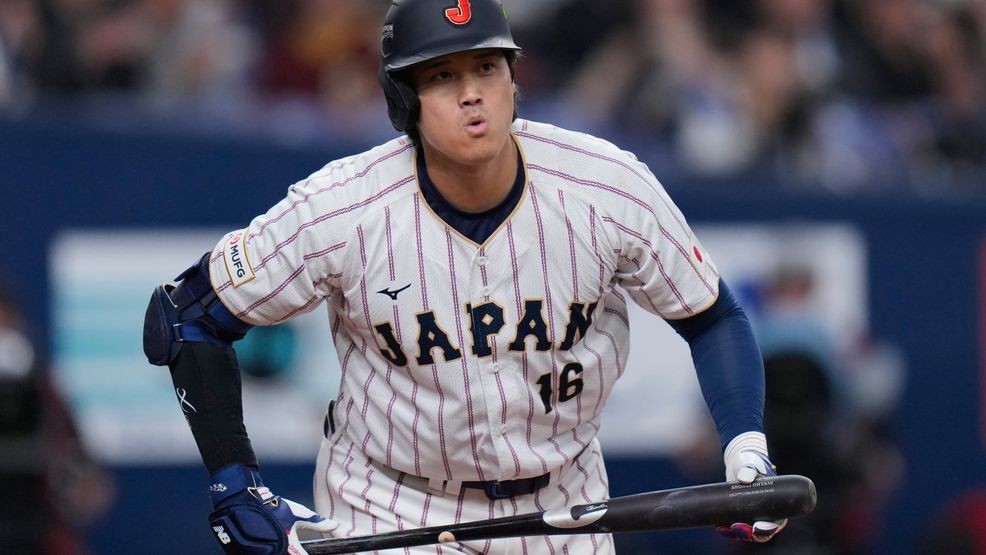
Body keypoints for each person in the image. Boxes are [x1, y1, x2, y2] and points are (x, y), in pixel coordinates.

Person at [142, 1, 786, 553]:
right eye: (442, 76)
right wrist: (235, 483)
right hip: (393, 503)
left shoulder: (605, 186)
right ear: (404, 100)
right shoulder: (343, 207)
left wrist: (745, 450)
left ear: (514, 77)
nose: (472, 92)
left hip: (564, 499)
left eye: (487, 66)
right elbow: (184, 316)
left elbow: (712, 315)